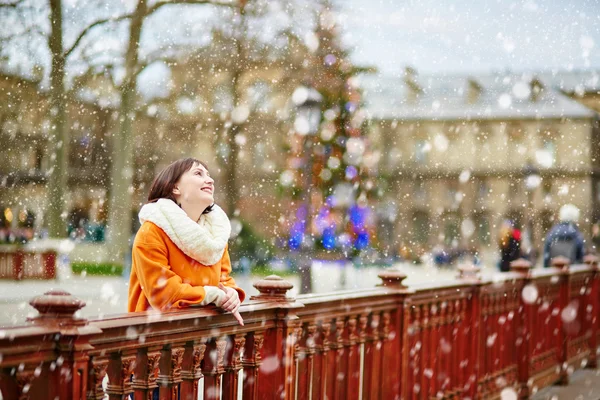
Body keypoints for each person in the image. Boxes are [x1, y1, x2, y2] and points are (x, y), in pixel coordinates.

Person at [128, 157, 244, 325]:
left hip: (203, 337)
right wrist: (212, 295)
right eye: (198, 173)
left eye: (209, 175)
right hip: (157, 339)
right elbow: (163, 294)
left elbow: (224, 279)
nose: (210, 180)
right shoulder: (151, 232)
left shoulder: (216, 234)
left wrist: (231, 293)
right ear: (175, 187)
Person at [543, 204, 585, 268]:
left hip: (553, 272)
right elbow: (580, 258)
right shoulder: (576, 235)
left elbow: (546, 257)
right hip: (570, 272)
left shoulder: (552, 233)